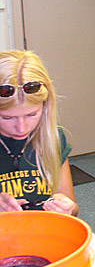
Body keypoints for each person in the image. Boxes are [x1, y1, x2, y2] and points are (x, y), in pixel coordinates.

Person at [0, 50, 78, 215]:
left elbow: (72, 207)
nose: (22, 128)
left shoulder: (52, 137)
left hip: (42, 232)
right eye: (7, 117)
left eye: (31, 114)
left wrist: (67, 208)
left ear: (45, 107)